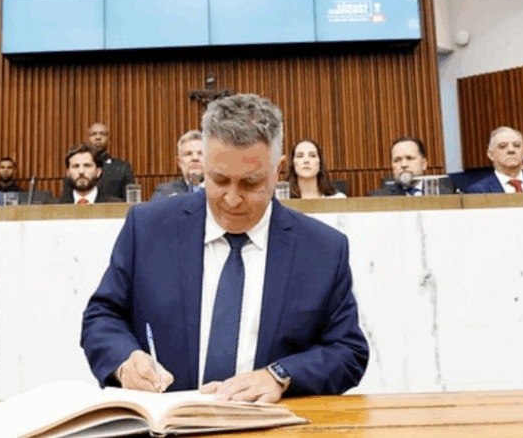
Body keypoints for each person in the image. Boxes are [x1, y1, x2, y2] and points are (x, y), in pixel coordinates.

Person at [81, 94, 368, 403]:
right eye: (218, 180)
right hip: (166, 421)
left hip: (273, 424)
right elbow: (103, 316)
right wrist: (125, 362)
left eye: (250, 183)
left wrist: (281, 376)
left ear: (279, 169)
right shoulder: (149, 228)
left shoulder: (322, 249)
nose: (232, 199)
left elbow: (347, 350)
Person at [466, 127, 523, 194]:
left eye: (516, 145)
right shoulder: (478, 191)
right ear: (491, 154)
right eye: (503, 146)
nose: (511, 150)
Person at [60, 123, 134, 202]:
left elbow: (130, 202)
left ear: (109, 140)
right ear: (88, 139)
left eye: (103, 134)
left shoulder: (122, 167)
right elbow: (66, 200)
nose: (98, 137)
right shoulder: (75, 168)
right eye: (93, 134)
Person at [368, 137, 454, 196]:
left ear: (424, 164)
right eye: (397, 160)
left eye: (409, 158)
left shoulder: (448, 194)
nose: (403, 165)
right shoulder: (377, 198)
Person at [53, 144, 123, 204]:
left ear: (98, 172)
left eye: (87, 166)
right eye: (76, 166)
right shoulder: (53, 207)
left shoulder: (116, 205)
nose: (81, 171)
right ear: (68, 173)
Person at [151, 130, 205, 201]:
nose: (195, 158)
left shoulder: (219, 191)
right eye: (188, 154)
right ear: (179, 162)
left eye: (201, 153)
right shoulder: (165, 192)